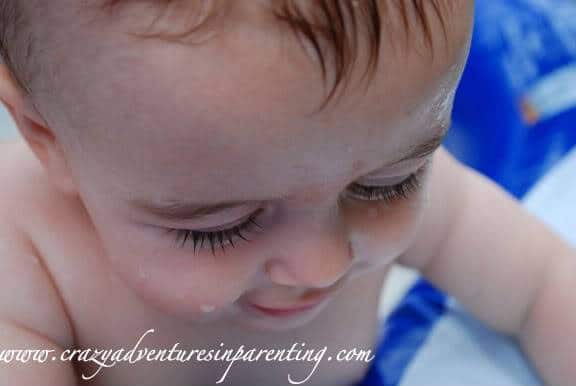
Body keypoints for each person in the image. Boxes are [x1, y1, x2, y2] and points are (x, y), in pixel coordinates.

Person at [0, 1, 573, 385]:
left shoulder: (365, 150)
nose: (323, 265)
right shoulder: (25, 263)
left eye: (385, 187)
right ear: (47, 137)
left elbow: (543, 285)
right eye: (221, 227)